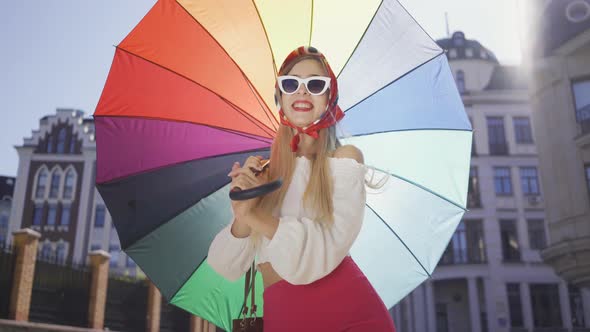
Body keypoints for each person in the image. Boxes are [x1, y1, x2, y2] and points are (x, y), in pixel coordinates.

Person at [208, 46, 395, 332]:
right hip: (284, 316)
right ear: (279, 97)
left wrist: (256, 217)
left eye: (316, 84)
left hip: (349, 316)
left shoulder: (344, 160)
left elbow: (325, 247)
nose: (303, 92)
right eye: (291, 83)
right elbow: (225, 266)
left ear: (329, 98)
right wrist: (242, 211)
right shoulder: (263, 174)